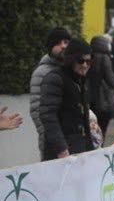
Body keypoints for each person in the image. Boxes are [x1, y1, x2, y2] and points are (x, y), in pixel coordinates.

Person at [39, 38, 95, 160]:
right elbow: (48, 116)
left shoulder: (81, 81)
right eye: (81, 60)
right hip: (62, 153)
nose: (85, 65)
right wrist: (62, 149)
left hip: (80, 149)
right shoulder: (55, 78)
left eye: (89, 61)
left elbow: (83, 119)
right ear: (71, 60)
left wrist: (91, 150)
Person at [30, 27, 71, 160]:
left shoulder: (70, 70)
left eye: (66, 42)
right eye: (59, 43)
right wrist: (49, 137)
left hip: (70, 139)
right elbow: (37, 110)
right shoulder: (41, 72)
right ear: (51, 46)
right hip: (53, 142)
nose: (63, 46)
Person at [87, 34, 114, 137]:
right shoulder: (105, 57)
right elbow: (109, 77)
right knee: (103, 123)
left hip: (90, 94)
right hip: (103, 95)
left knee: (92, 122)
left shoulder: (88, 56)